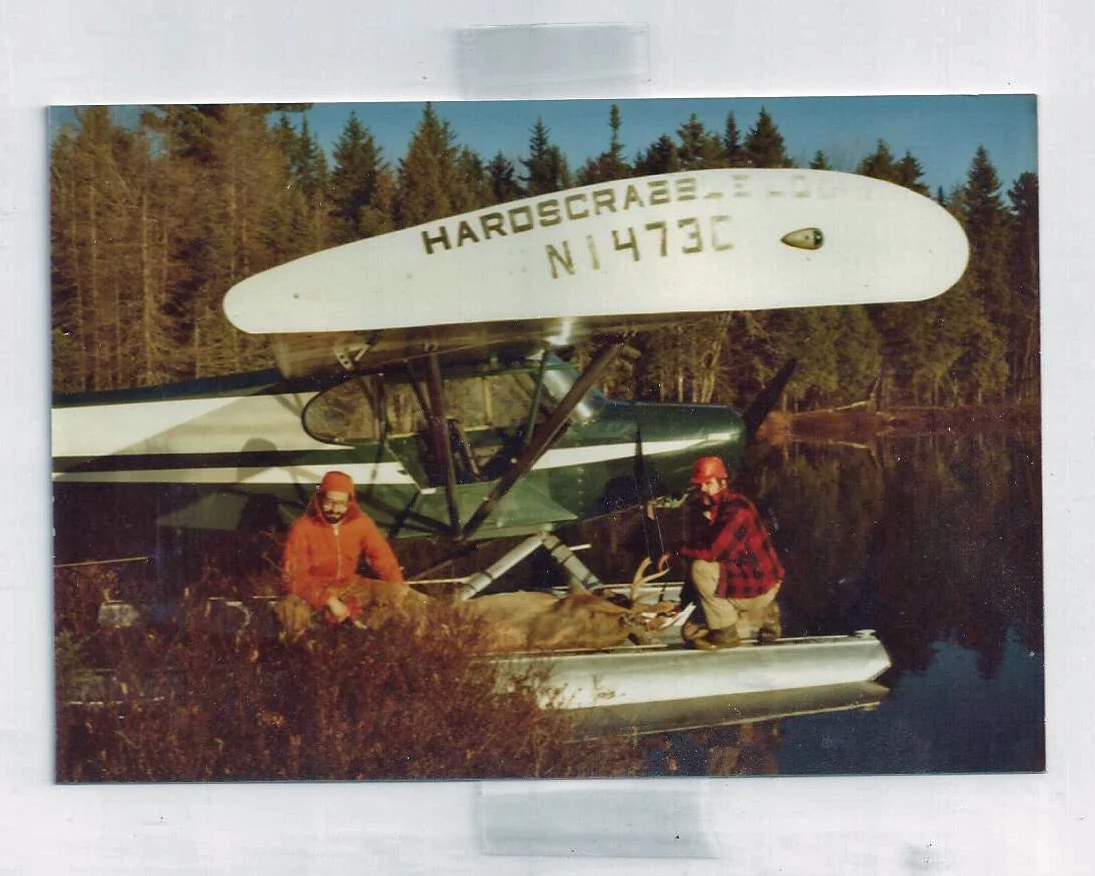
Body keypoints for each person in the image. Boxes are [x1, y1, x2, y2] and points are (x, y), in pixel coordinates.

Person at [662, 456, 784, 650]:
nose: (702, 489)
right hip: (740, 580)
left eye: (708, 483)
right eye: (699, 485)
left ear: (722, 483)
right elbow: (700, 555)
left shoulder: (737, 511)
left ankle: (728, 634)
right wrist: (683, 602)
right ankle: (758, 614)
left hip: (757, 585)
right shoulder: (711, 510)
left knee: (701, 568)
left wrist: (676, 551)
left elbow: (711, 553)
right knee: (690, 633)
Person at [281, 470, 405, 629]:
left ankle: (368, 632)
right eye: (329, 502)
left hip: (351, 585)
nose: (334, 509)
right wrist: (328, 600)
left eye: (341, 503)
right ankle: (306, 646)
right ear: (319, 500)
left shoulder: (362, 523)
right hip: (315, 589)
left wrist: (397, 586)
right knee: (292, 611)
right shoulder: (301, 527)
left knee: (405, 598)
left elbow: (382, 558)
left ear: (350, 503)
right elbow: (294, 577)